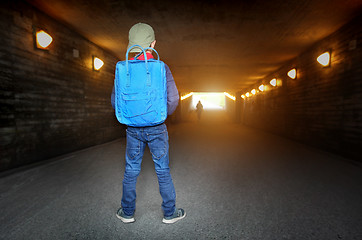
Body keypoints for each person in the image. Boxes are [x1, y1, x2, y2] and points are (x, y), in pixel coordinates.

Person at [111, 23, 186, 224]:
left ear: (130, 44)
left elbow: (115, 101)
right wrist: (162, 115)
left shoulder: (122, 68)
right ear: (153, 43)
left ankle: (127, 213)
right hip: (157, 128)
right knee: (162, 169)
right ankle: (170, 213)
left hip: (133, 129)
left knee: (131, 169)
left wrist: (131, 116)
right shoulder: (161, 67)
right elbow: (173, 99)